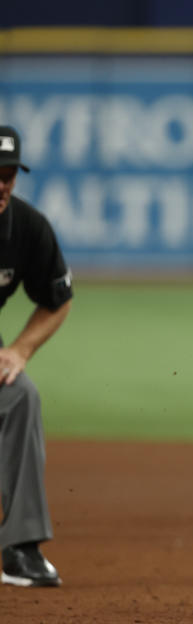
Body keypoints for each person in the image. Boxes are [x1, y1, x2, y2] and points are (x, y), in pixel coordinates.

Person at [0, 125, 74, 588]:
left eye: (8, 173)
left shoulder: (25, 226)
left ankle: (20, 548)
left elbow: (57, 296)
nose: (1, 183)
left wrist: (19, 349)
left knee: (19, 394)